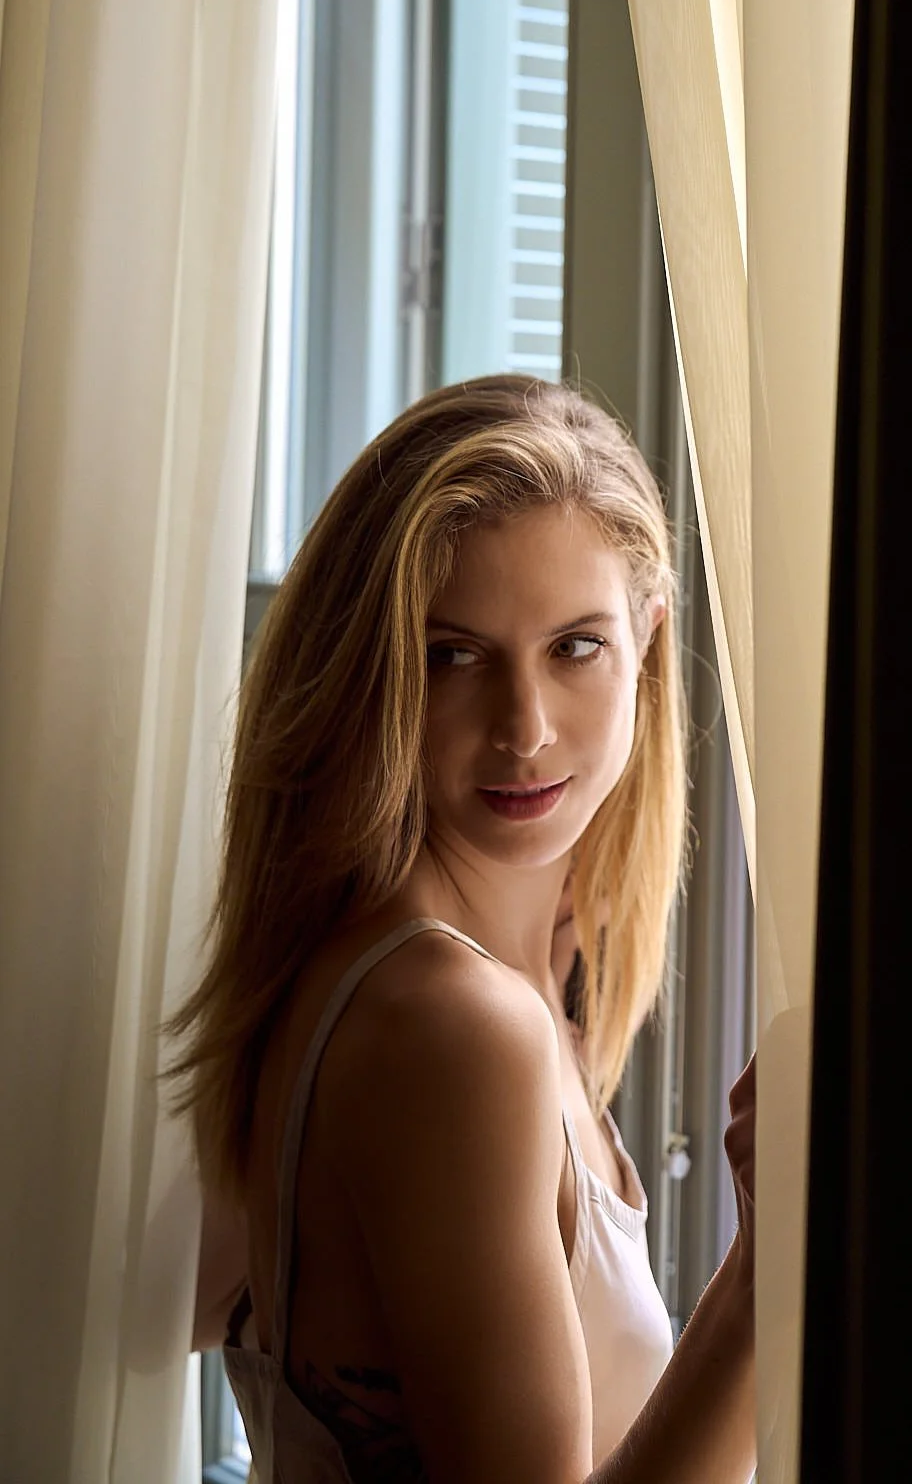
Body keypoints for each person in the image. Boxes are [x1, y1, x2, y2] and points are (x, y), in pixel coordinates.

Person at [172, 375, 756, 1483]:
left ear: (648, 634)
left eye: (574, 646)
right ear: (372, 673)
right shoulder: (451, 1024)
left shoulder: (527, 968)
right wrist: (769, 1276)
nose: (524, 727)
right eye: (453, 654)